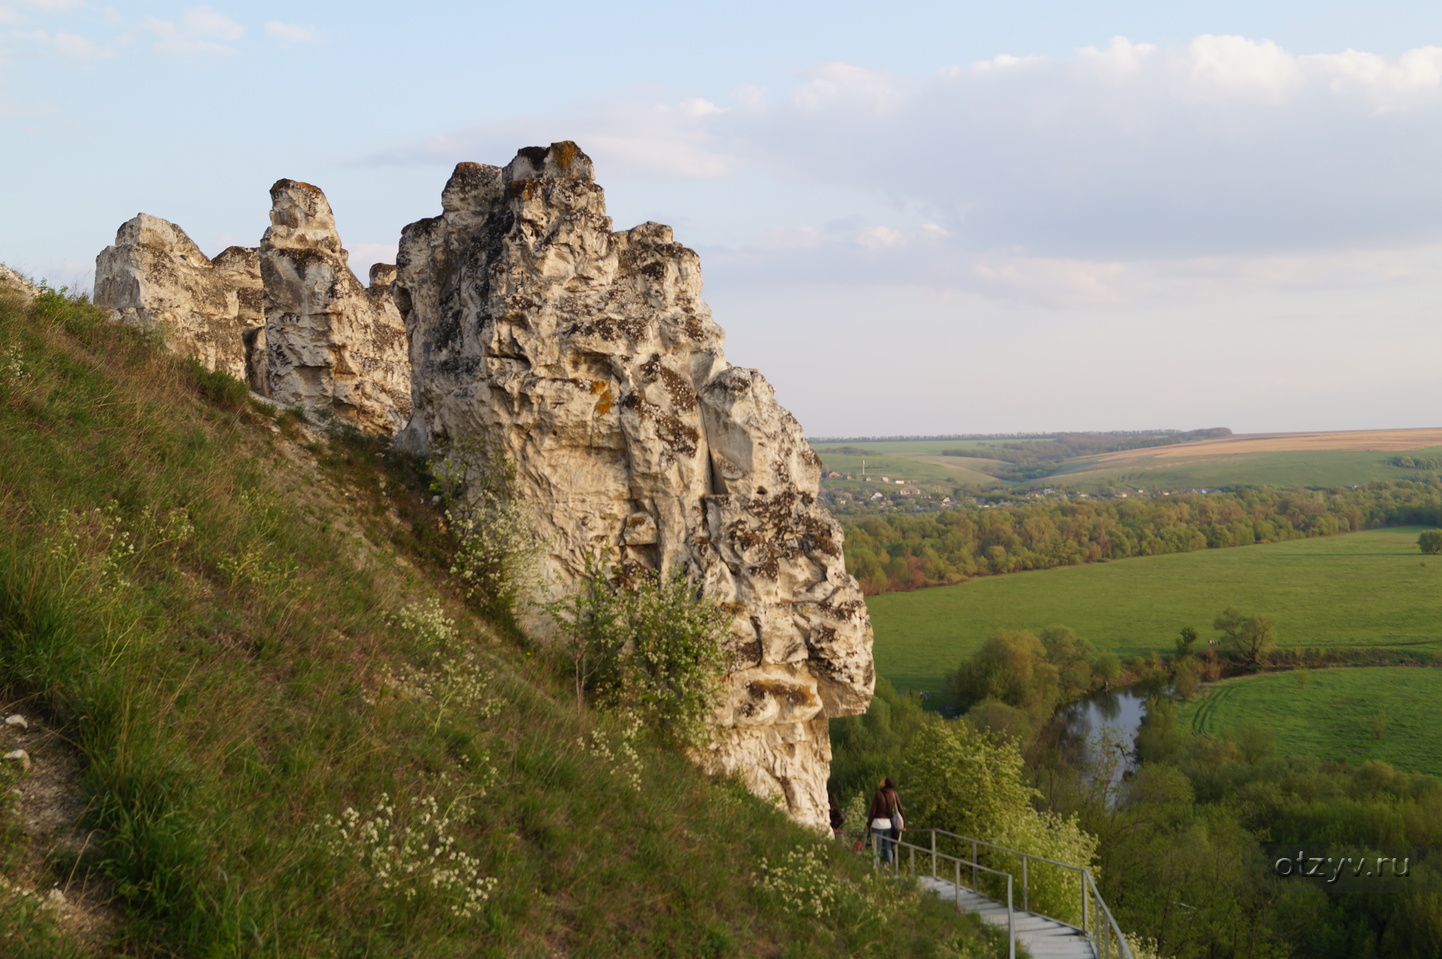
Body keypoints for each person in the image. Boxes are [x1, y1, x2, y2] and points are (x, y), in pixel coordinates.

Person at [868, 777, 904, 867]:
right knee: (888, 846)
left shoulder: (878, 794)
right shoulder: (894, 794)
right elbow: (900, 809)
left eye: (883, 780)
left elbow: (872, 811)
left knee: (877, 848)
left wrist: (868, 824)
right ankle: (890, 867)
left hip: (877, 823)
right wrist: (904, 824)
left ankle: (876, 868)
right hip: (888, 824)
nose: (881, 780)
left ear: (885, 784)